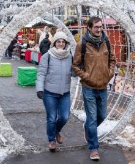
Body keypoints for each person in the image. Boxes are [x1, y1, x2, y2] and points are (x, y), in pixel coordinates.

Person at [72, 16, 116, 161]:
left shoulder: (106, 42)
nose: (99, 29)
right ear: (89, 28)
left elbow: (112, 60)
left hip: (103, 86)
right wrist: (86, 77)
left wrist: (109, 74)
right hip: (89, 87)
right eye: (96, 27)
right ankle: (94, 148)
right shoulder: (82, 44)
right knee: (92, 117)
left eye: (100, 27)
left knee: (102, 116)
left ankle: (88, 129)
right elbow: (75, 65)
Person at [36, 31, 73, 152]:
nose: (61, 44)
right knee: (51, 118)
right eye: (59, 41)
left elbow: (73, 73)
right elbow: (41, 73)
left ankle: (57, 131)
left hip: (65, 93)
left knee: (64, 117)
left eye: (63, 42)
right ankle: (51, 140)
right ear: (55, 43)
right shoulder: (48, 55)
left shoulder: (69, 56)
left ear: (65, 43)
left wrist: (78, 67)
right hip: (50, 93)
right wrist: (40, 89)